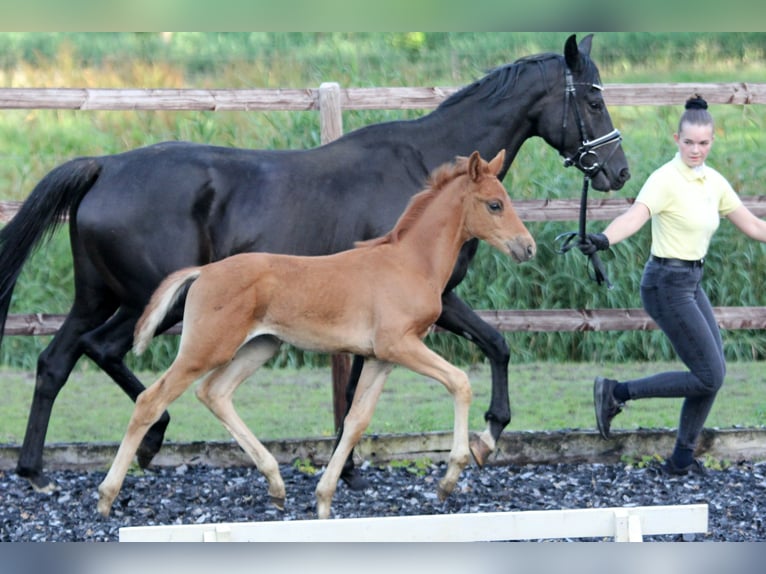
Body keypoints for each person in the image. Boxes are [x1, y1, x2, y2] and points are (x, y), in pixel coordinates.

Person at [579, 95, 766, 475]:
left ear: (713, 140)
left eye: (703, 143)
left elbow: (755, 226)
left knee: (711, 375)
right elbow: (635, 217)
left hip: (691, 282)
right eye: (689, 142)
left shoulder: (714, 182)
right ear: (676, 139)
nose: (696, 150)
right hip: (665, 283)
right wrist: (603, 239)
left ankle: (681, 460)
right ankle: (617, 392)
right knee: (710, 374)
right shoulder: (664, 179)